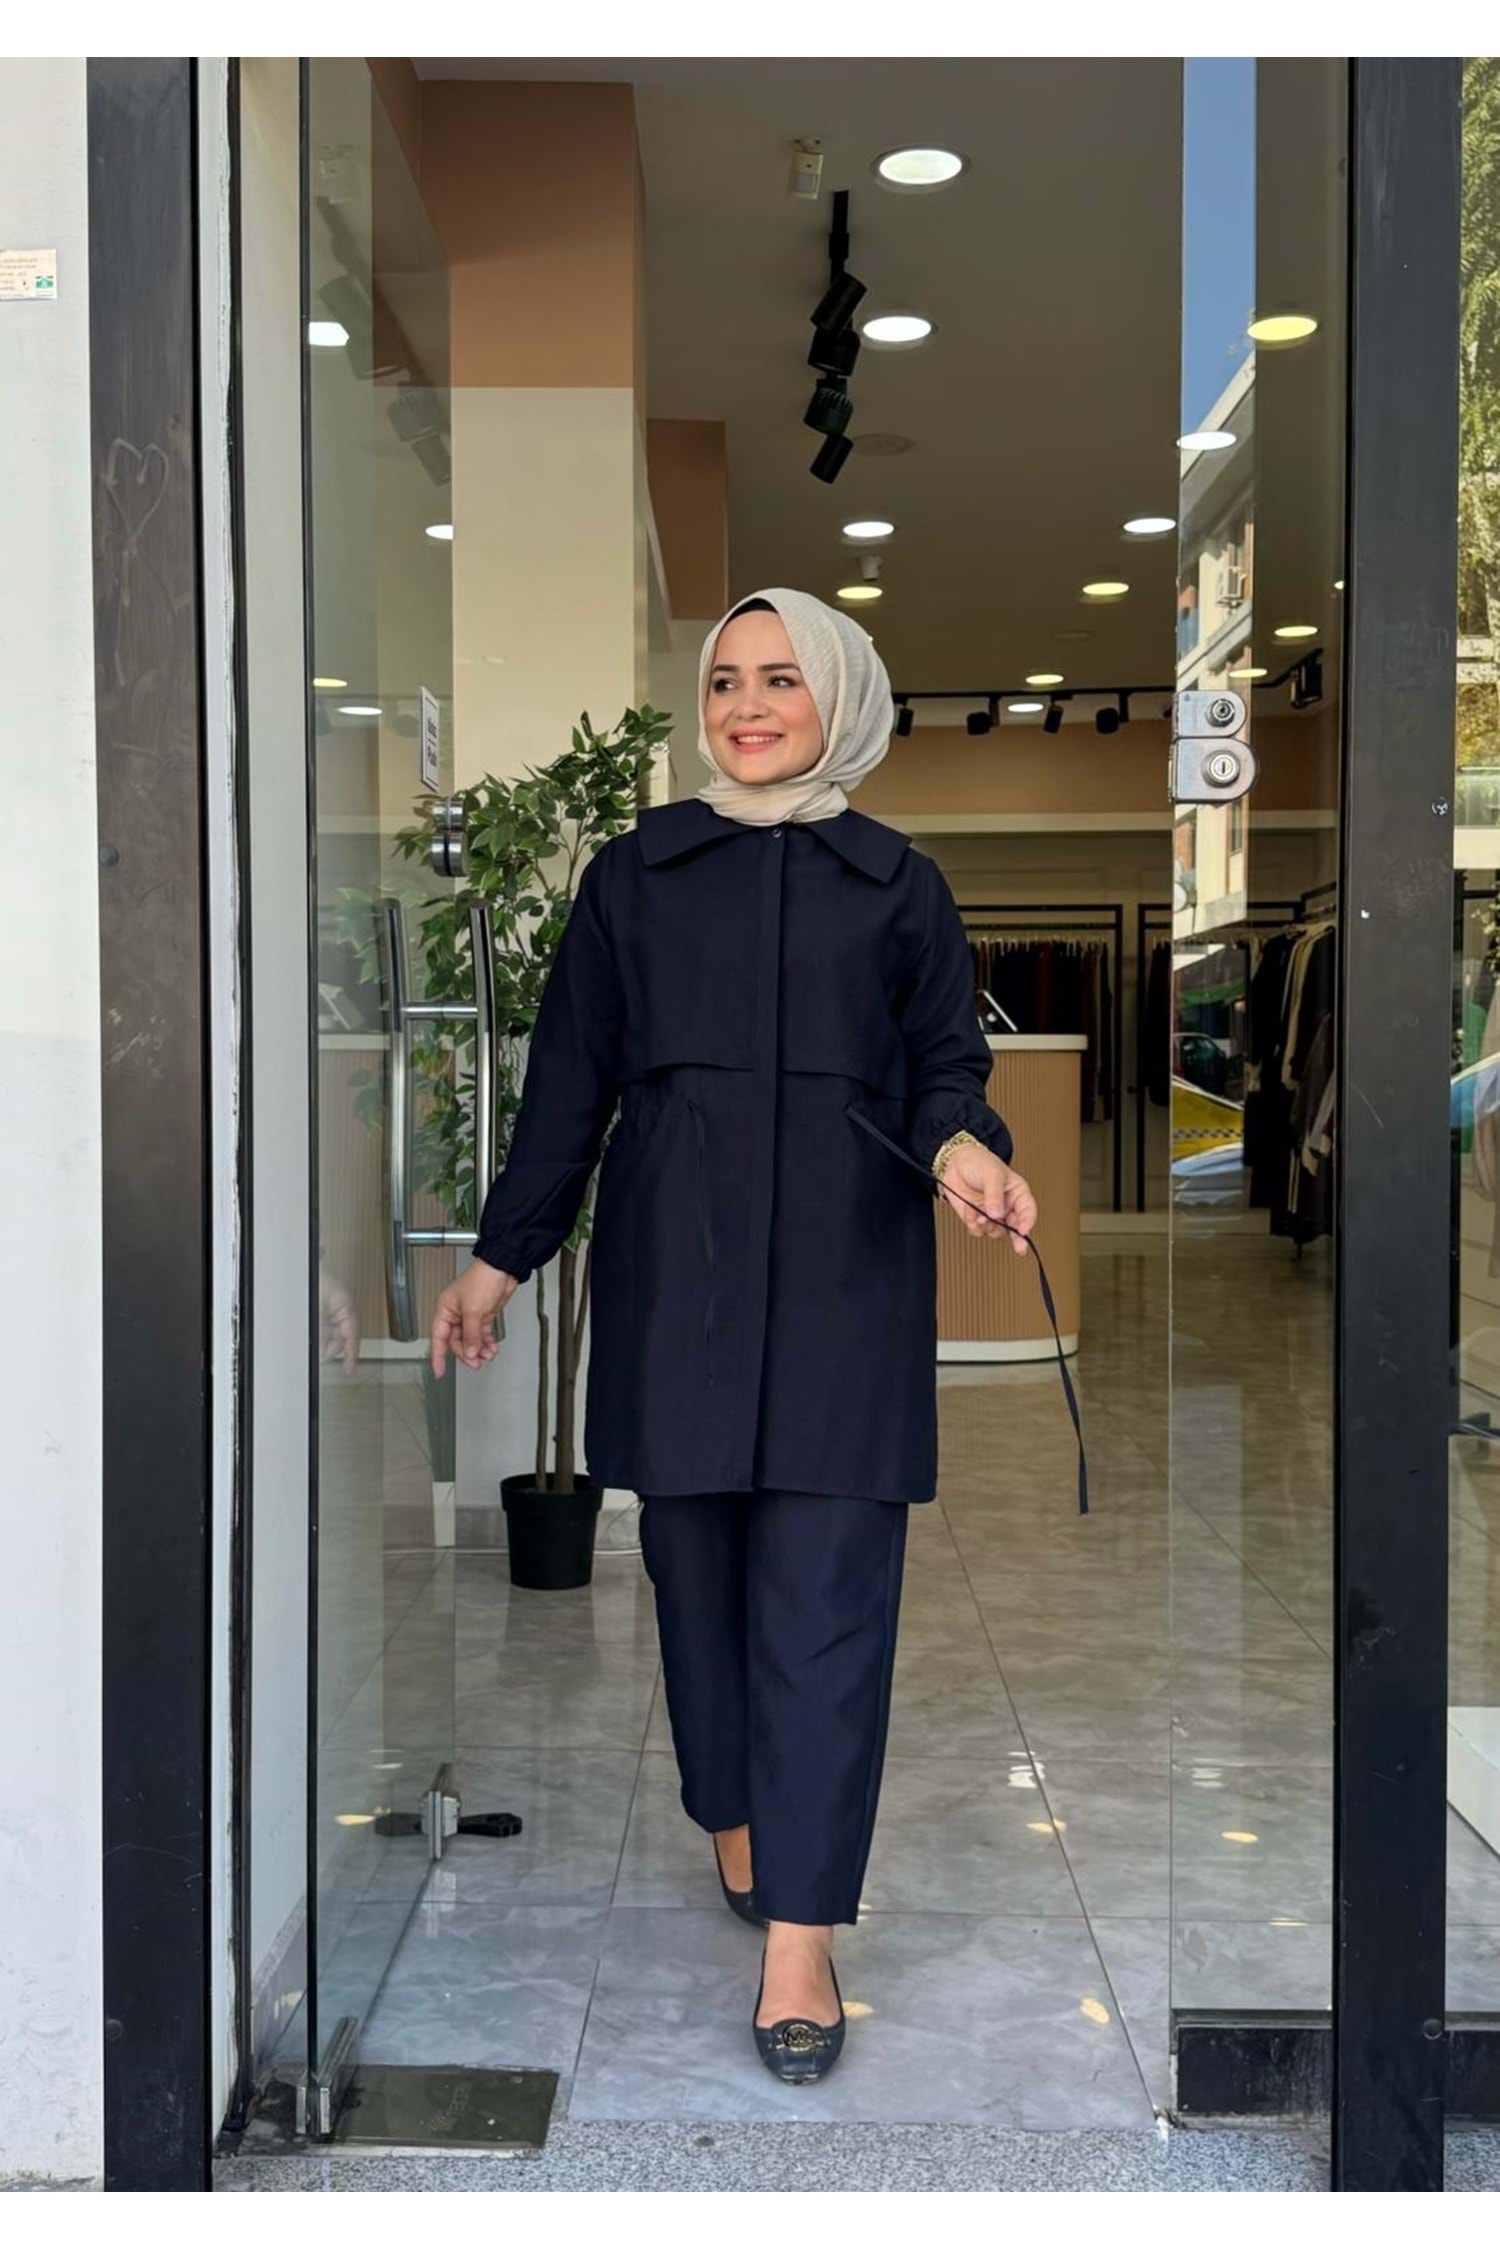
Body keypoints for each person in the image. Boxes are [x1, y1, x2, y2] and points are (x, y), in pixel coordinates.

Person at [431, 588, 1035, 2085]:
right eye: (724, 681)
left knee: (827, 1604)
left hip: (846, 1283)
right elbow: (569, 1082)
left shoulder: (899, 885)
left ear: (840, 697)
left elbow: (946, 1067)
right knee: (694, 1585)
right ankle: (735, 1809)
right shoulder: (637, 875)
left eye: (780, 679)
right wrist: (502, 1258)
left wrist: (966, 1146)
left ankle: (801, 1940)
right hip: (678, 1280)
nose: (748, 705)